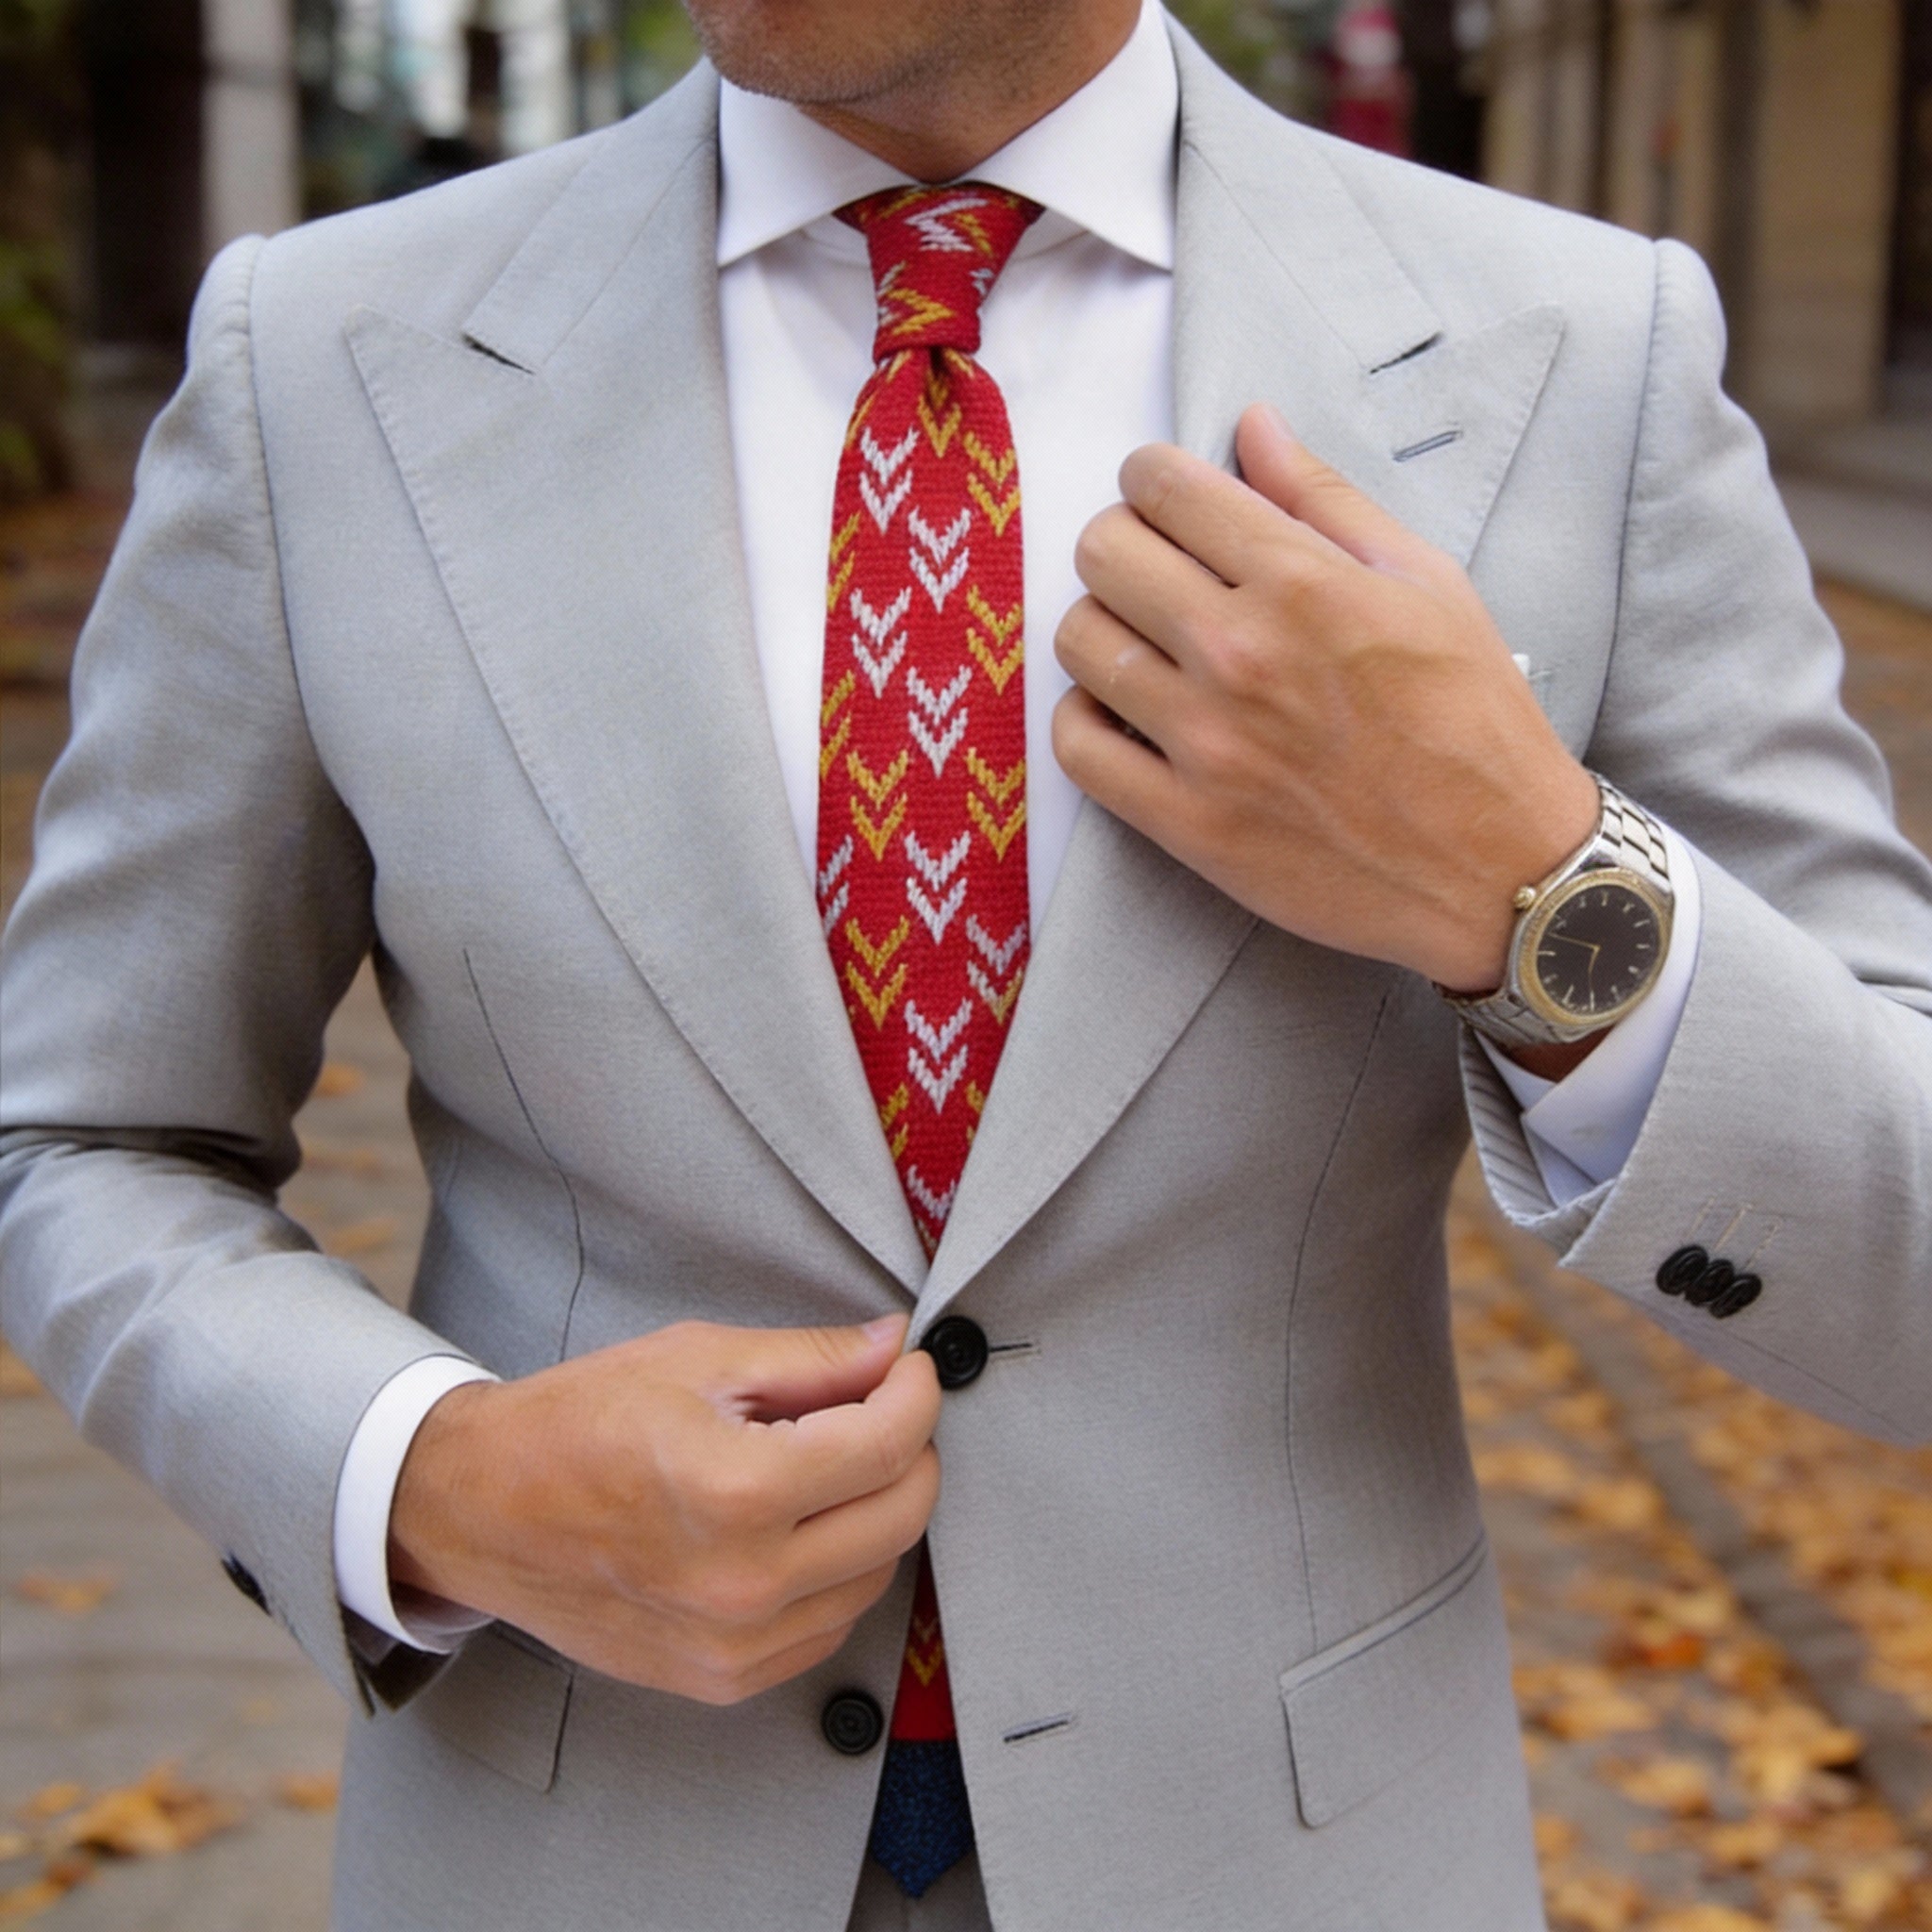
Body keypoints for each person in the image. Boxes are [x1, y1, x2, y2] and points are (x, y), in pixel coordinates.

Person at [3, 1, 1928, 1926]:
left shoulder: (1579, 358)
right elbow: (85, 1136)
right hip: (570, 1837)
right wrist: (425, 1478)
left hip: (1292, 1855)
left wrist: (1533, 889)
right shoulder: (321, 361)